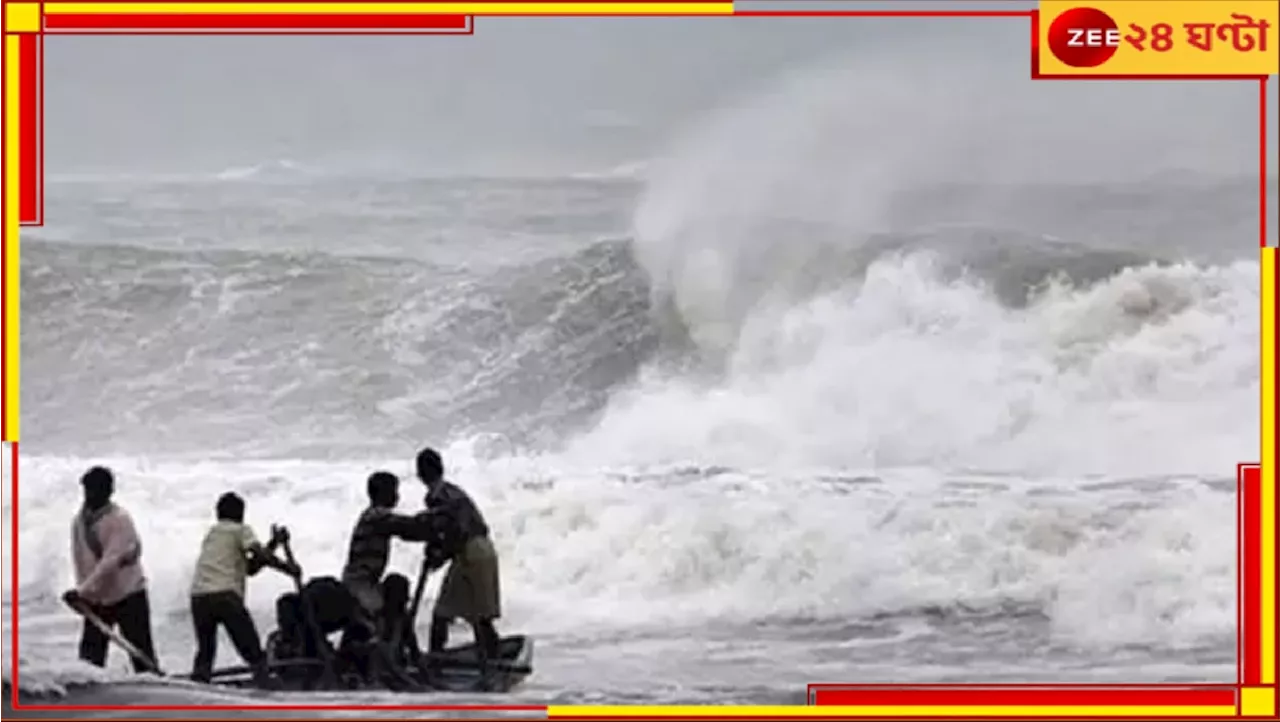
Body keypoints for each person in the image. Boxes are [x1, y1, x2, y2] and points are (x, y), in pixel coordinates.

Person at [188, 492, 298, 686]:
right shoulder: (240, 530)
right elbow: (258, 553)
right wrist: (287, 568)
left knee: (205, 653)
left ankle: (198, 687)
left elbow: (251, 568)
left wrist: (273, 544)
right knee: (254, 653)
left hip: (199, 597)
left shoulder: (213, 534)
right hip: (226, 597)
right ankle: (267, 692)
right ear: (241, 514)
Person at [415, 447, 502, 687]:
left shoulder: (438, 496)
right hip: (483, 550)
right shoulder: (452, 492)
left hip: (470, 552)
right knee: (479, 616)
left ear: (420, 473)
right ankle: (493, 663)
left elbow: (456, 532)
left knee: (444, 613)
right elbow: (446, 530)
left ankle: (434, 665)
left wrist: (439, 555)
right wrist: (438, 551)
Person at [339, 471, 433, 688]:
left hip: (368, 581)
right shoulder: (376, 515)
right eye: (394, 491)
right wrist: (435, 520)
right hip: (358, 581)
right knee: (376, 614)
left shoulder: (377, 515)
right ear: (382, 493)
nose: (397, 495)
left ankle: (392, 655)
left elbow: (409, 532)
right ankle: (377, 669)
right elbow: (408, 527)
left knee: (393, 602)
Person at [64, 466, 161, 674]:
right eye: (88, 489)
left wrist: (82, 591)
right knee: (89, 661)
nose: (90, 495)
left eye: (96, 490)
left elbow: (110, 562)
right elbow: (80, 560)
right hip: (97, 599)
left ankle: (154, 694)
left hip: (128, 595)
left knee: (142, 655)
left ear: (109, 492)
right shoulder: (79, 521)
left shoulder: (119, 519)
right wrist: (83, 594)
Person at [379, 573, 424, 673]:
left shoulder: (402, 620)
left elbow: (414, 651)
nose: (406, 599)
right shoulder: (373, 617)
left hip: (395, 668)